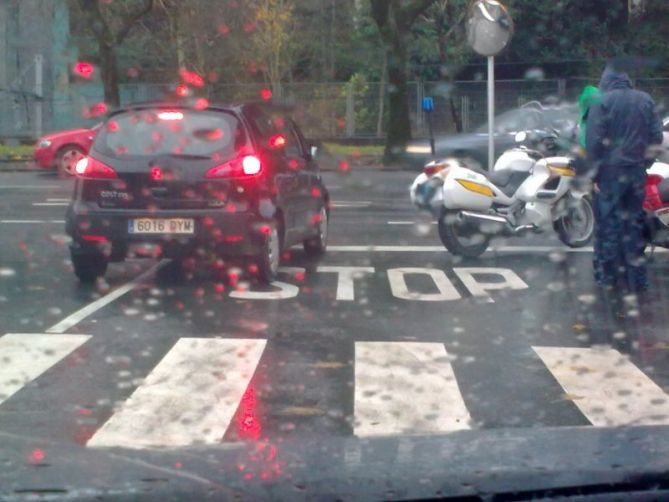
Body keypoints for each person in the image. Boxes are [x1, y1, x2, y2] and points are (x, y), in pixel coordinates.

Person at [585, 64, 664, 293]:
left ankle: (607, 278)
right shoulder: (645, 100)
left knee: (608, 225)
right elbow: (656, 136)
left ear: (605, 80)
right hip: (636, 171)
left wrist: (594, 174)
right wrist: (644, 163)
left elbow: (594, 142)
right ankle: (637, 279)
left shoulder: (601, 102)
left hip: (609, 173)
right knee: (633, 224)